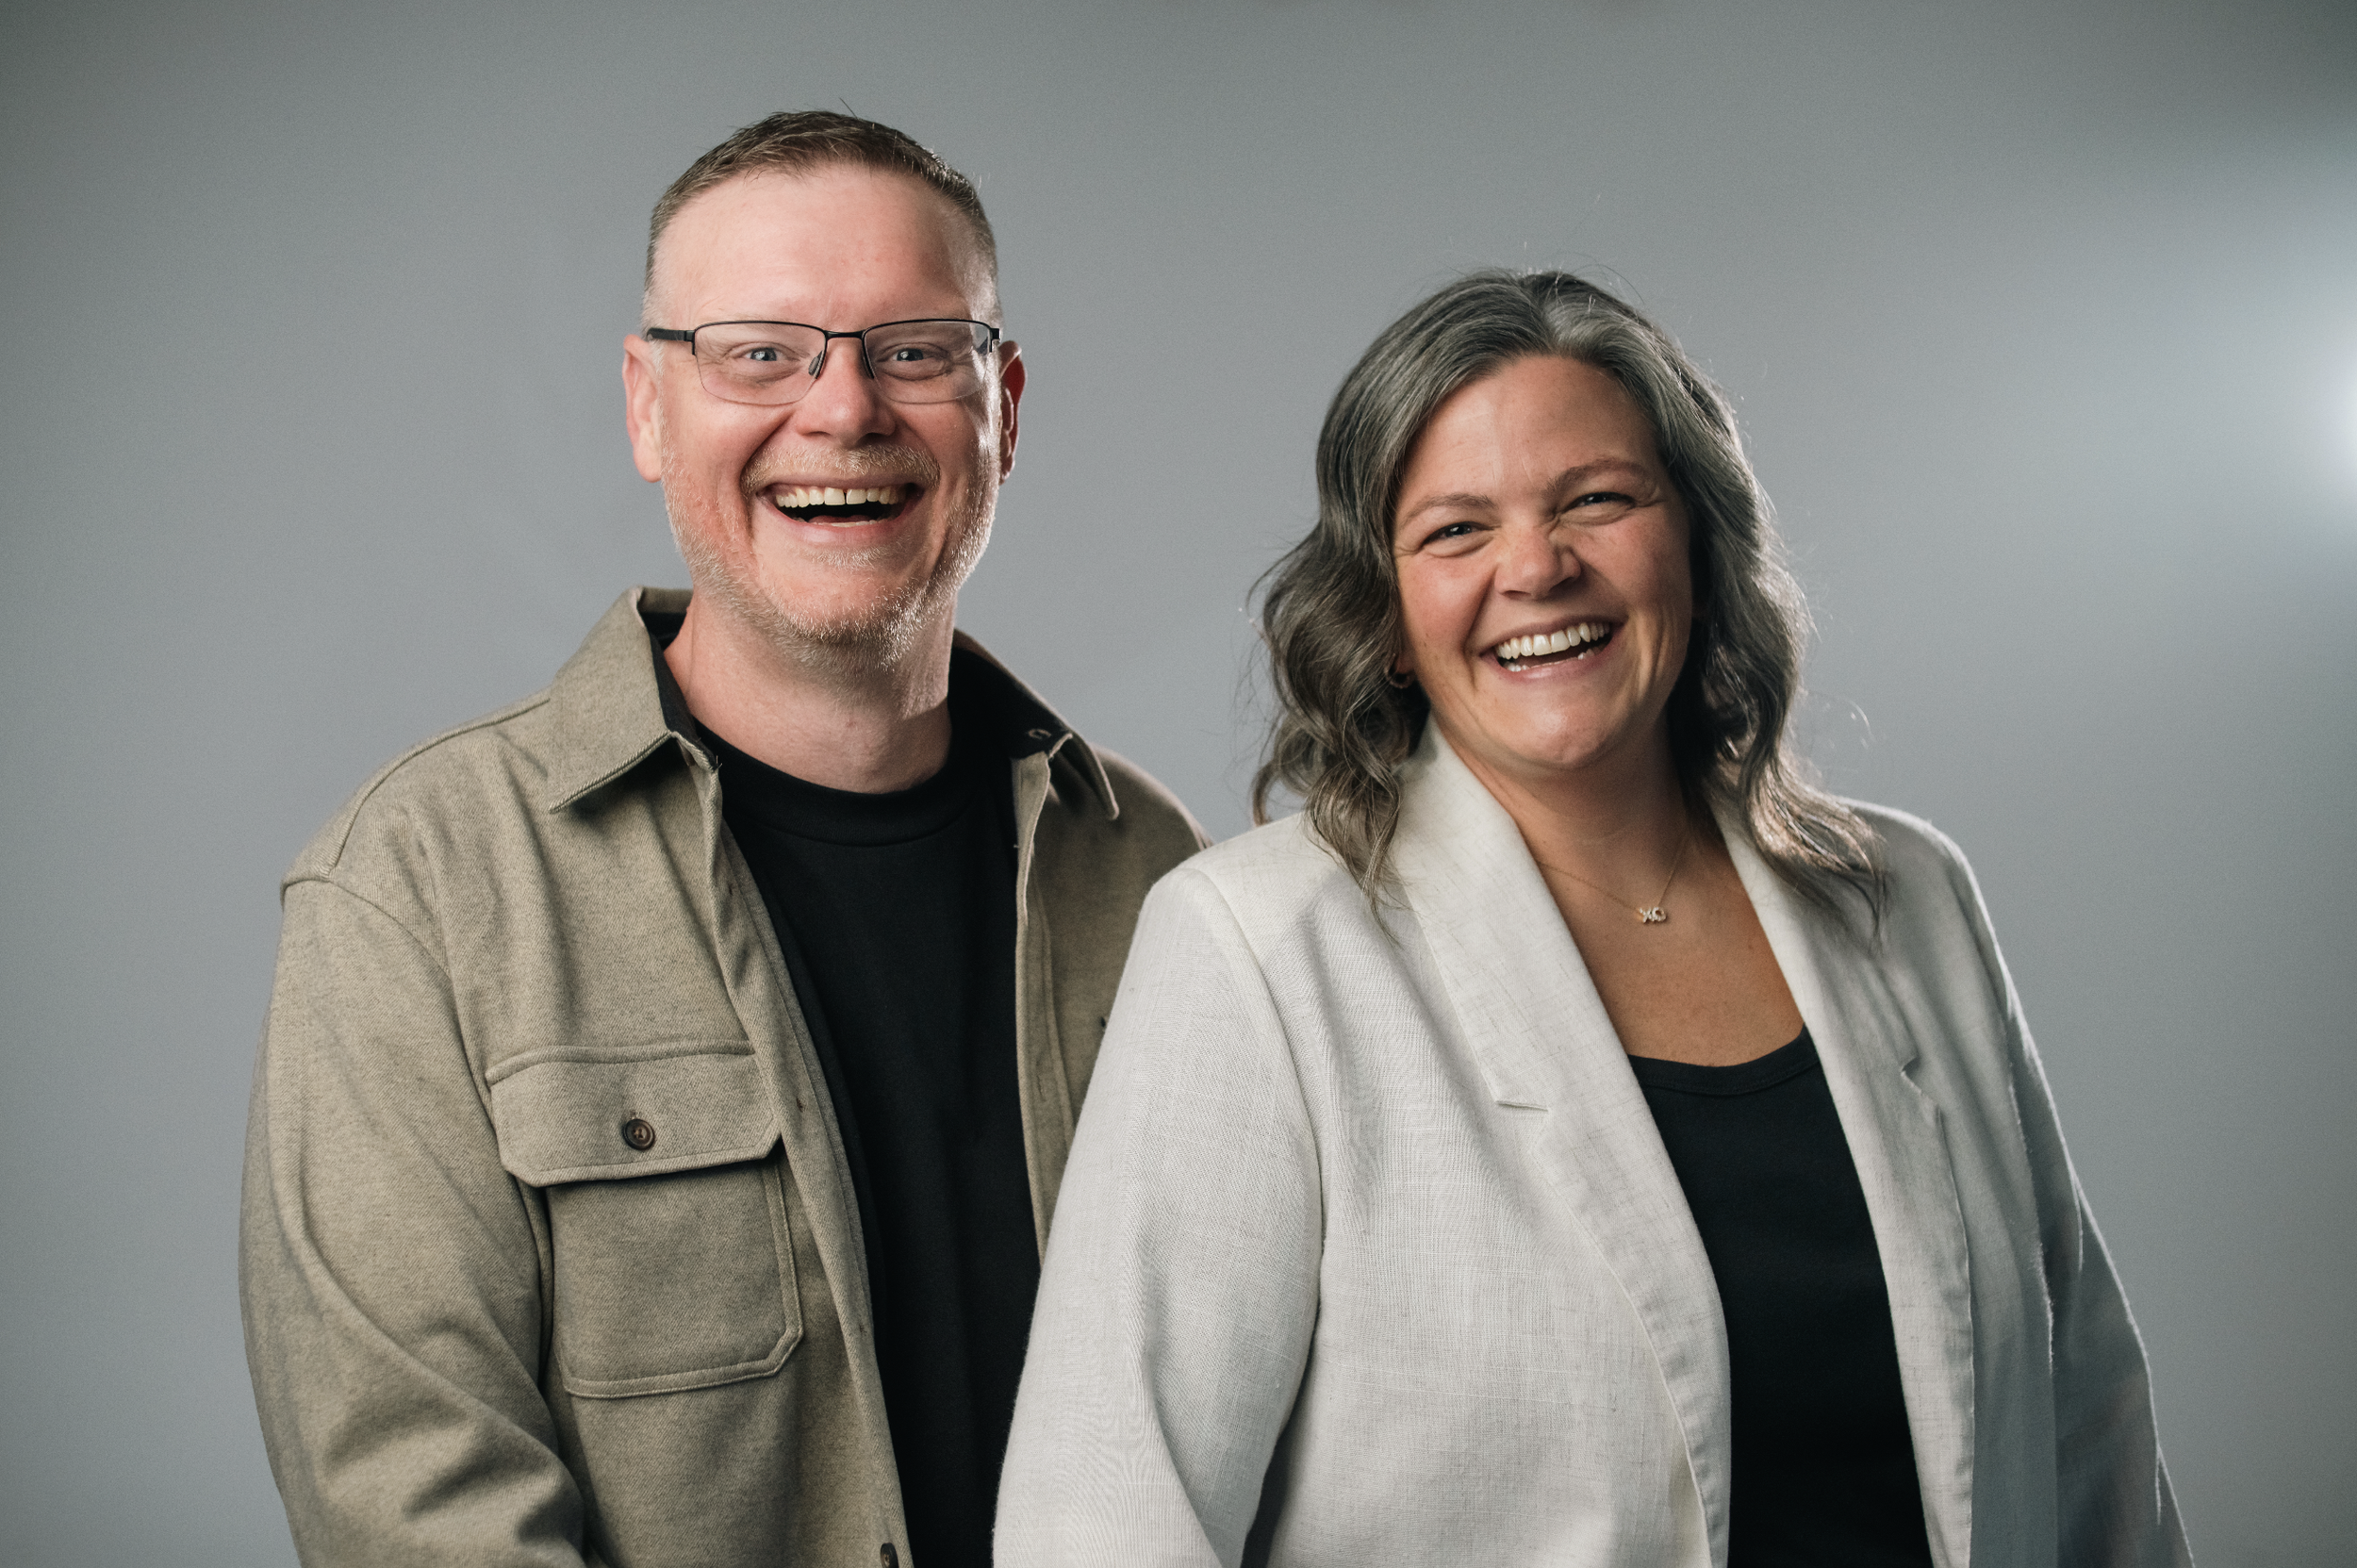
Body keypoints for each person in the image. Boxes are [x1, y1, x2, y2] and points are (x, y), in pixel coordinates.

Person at [995, 271, 2190, 1565]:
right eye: (1456, 531)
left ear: (1696, 540)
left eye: (1597, 500)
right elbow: (1102, 1519)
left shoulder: (1911, 902)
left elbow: (2092, 1447)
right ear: (1386, 617)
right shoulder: (1256, 950)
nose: (1538, 567)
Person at [240, 111, 1204, 1568]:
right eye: (760, 351)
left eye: (914, 348)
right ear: (647, 405)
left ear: (1004, 403)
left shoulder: (1151, 870)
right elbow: (416, 1512)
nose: (843, 410)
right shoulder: (422, 890)